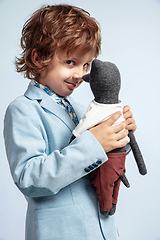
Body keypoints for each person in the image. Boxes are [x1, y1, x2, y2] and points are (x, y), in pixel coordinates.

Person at [3, 4, 136, 240]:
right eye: (70, 62)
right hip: (61, 232)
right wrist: (95, 144)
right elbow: (28, 177)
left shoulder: (80, 109)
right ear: (39, 57)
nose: (80, 74)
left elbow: (100, 165)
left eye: (86, 65)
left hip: (101, 230)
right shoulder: (23, 109)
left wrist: (118, 136)